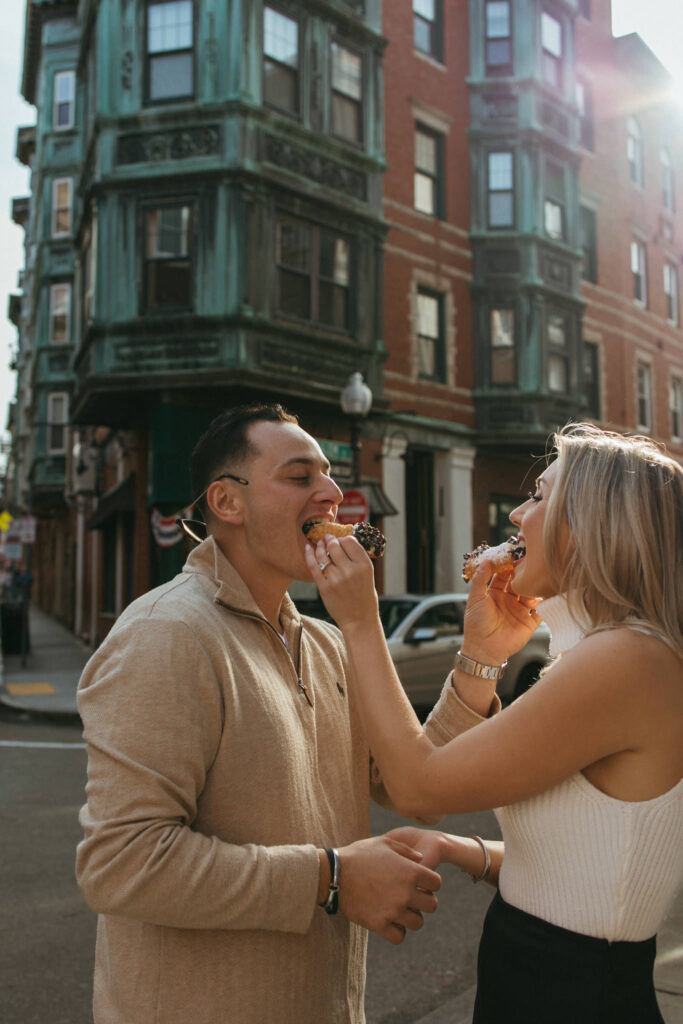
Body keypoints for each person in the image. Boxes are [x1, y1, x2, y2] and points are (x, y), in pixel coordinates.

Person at [76, 403, 486, 1024]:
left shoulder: (325, 643)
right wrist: (333, 878)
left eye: (327, 475)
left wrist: (481, 653)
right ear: (227, 502)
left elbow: (419, 789)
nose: (332, 492)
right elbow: (121, 863)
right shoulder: (167, 635)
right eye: (300, 477)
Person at [305, 423, 683, 1024]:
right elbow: (597, 861)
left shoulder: (628, 660)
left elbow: (417, 785)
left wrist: (359, 621)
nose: (515, 513)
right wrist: (462, 848)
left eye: (538, 497)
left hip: (572, 995)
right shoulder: (610, 653)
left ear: (588, 522)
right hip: (541, 977)